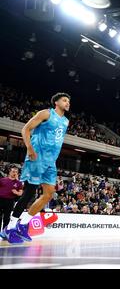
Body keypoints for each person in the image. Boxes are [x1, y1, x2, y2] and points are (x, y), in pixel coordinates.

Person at [5, 93, 70, 244]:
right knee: (29, 193)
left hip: (50, 161)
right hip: (36, 156)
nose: (68, 103)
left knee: (48, 194)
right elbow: (26, 129)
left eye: (69, 101)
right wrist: (29, 148)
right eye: (65, 100)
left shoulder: (66, 121)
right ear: (56, 102)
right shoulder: (46, 113)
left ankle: (23, 224)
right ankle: (10, 228)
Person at [0, 166, 23, 239]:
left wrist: (16, 192)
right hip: (0, 200)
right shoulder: (2, 180)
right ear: (9, 172)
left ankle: (5, 234)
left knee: (6, 218)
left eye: (16, 172)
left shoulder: (19, 183)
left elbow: (21, 193)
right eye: (13, 171)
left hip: (10, 201)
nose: (14, 173)